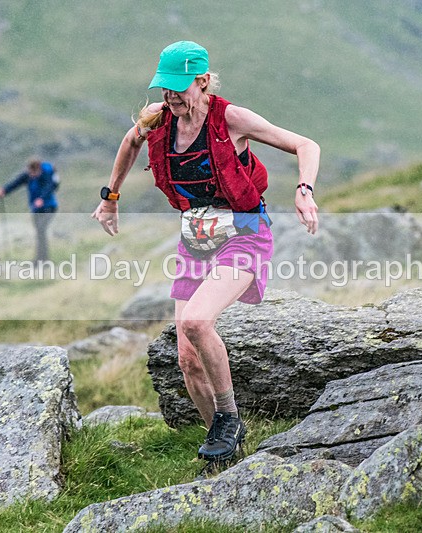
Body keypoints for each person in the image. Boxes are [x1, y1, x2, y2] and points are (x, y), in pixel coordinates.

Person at [92, 41, 319, 465]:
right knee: (186, 359)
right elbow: (129, 142)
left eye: (179, 88)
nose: (170, 96)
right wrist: (110, 197)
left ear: (202, 81)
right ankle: (224, 454)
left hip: (245, 233)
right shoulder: (158, 120)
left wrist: (304, 191)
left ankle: (230, 419)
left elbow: (307, 145)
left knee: (197, 320)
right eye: (165, 87)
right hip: (196, 239)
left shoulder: (231, 118)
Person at [0, 158, 60, 262]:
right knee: (40, 233)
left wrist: (41, 199)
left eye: (34, 173)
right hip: (36, 209)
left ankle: (43, 259)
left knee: (41, 231)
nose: (32, 175)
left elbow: (49, 187)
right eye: (30, 173)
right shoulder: (28, 175)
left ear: (39, 169)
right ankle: (41, 259)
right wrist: (4, 190)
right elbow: (16, 183)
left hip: (49, 207)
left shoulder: (46, 174)